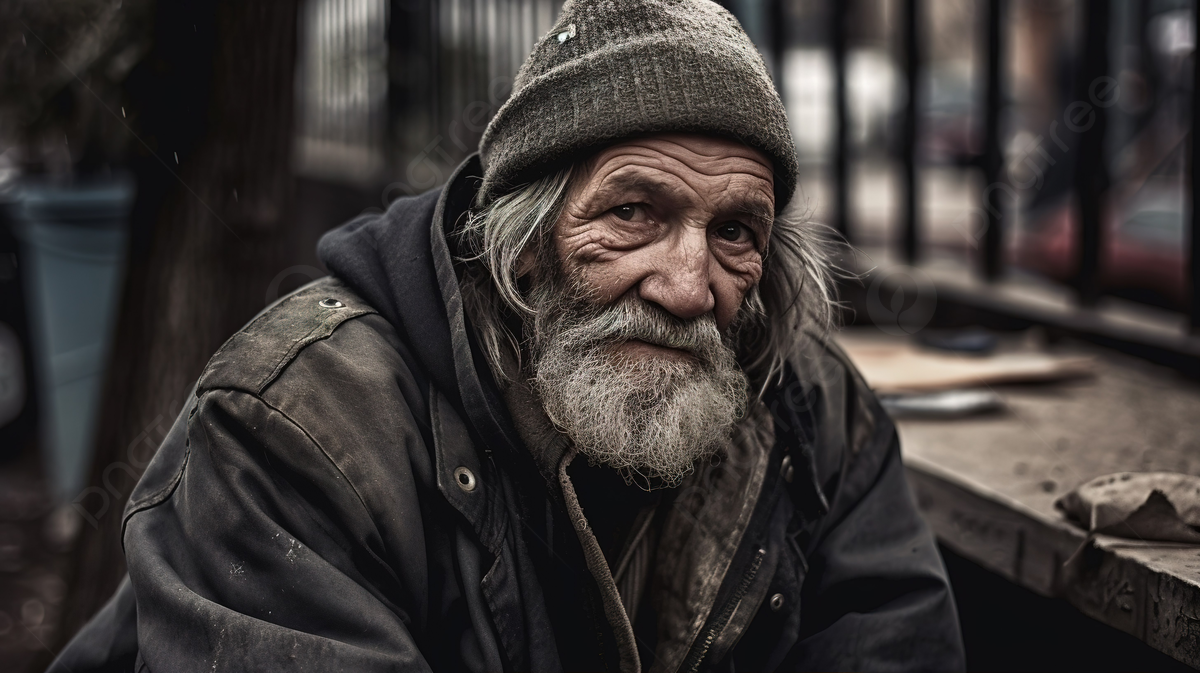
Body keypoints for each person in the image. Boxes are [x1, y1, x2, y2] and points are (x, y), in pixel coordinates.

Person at [52, 1, 965, 671]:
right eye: (634, 212)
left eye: (735, 231)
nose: (690, 289)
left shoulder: (812, 411)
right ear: (520, 241)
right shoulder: (297, 423)